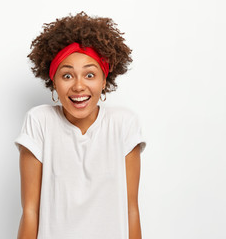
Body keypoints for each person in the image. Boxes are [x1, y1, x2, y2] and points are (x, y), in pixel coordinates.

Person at [14, 12, 146, 239]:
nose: (78, 86)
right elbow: (30, 212)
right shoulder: (39, 122)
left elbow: (131, 210)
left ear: (104, 81)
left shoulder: (124, 124)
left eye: (90, 75)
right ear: (53, 81)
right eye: (67, 76)